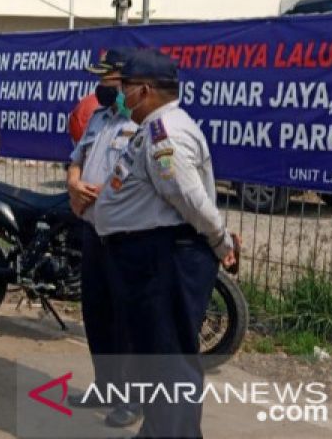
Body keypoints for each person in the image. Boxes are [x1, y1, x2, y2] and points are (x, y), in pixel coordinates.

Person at [96, 49, 242, 439]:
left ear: (144, 90)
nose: (120, 94)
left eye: (125, 87)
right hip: (149, 259)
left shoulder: (167, 135)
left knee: (168, 358)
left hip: (167, 259)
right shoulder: (152, 128)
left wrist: (221, 239)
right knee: (153, 356)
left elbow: (190, 198)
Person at [64, 48, 142, 429]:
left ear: (126, 83)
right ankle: (105, 386)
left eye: (106, 81)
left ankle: (132, 398)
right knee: (96, 313)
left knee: (126, 319)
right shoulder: (98, 117)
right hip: (93, 229)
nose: (100, 88)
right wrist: (74, 182)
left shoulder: (143, 126)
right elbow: (76, 156)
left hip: (126, 236)